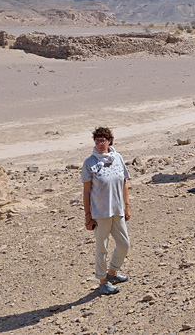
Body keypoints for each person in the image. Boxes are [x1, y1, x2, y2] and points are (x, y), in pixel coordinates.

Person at [82, 126, 132, 295]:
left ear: (109, 141)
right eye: (97, 141)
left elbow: (124, 182)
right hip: (100, 212)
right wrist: (88, 216)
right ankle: (103, 281)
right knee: (101, 248)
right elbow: (86, 192)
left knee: (124, 244)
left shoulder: (118, 158)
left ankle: (112, 272)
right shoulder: (90, 163)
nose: (100, 144)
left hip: (117, 210)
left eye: (103, 140)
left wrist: (127, 206)